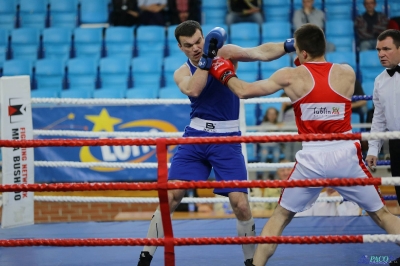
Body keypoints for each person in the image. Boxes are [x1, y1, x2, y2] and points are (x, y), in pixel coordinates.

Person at [208, 23, 400, 266]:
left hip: (312, 158)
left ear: (303, 53)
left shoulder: (290, 76)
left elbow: (244, 91)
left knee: (280, 217)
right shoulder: (347, 72)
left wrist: (222, 70)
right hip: (345, 154)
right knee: (382, 215)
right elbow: (321, 81)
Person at [136, 20, 292, 266]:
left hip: (227, 139)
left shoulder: (225, 53)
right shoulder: (182, 72)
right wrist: (207, 60)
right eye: (189, 45)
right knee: (171, 196)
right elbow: (195, 90)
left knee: (240, 204)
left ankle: (251, 261)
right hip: (196, 137)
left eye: (199, 41)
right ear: (181, 47)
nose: (196, 48)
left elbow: (260, 52)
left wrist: (289, 45)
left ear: (203, 36)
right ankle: (145, 257)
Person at [366, 29, 400, 215]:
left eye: (386, 49)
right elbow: (378, 118)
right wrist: (373, 149)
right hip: (395, 144)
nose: (381, 54)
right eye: (378, 50)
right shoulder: (380, 81)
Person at [295, 187, 362, 216]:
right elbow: (299, 218)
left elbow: (351, 225)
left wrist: (338, 202)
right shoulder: (317, 198)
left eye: (333, 182)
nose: (330, 187)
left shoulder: (352, 199)